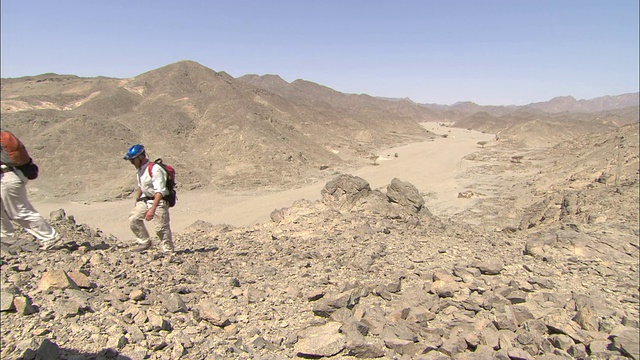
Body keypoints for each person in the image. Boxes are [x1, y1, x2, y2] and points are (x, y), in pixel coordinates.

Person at [1, 130, 62, 250]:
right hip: (9, 175)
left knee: (19, 212)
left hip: (7, 177)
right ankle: (5, 240)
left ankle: (50, 237)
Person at [124, 144, 175, 253]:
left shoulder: (155, 169)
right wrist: (137, 201)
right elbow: (141, 186)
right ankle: (144, 242)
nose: (132, 163)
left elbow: (160, 191)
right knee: (134, 218)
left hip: (158, 201)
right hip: (145, 199)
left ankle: (168, 250)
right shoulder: (140, 170)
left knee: (161, 228)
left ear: (141, 157)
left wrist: (152, 209)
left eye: (133, 160)